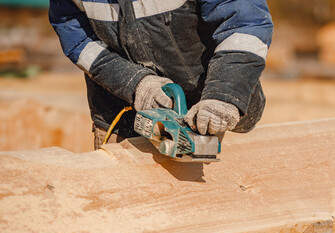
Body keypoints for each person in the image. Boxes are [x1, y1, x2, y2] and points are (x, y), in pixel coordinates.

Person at [49, 0, 273, 149]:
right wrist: (134, 82)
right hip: (120, 120)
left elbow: (245, 24)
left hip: (211, 114)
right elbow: (77, 38)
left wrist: (224, 94)